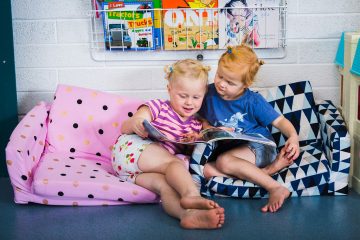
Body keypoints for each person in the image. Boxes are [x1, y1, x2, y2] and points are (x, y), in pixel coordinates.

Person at [111, 59, 225, 229]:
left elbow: (192, 151)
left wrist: (192, 141)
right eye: (182, 96)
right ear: (169, 90)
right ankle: (192, 194)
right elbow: (127, 125)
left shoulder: (196, 125)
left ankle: (186, 215)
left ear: (204, 95)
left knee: (166, 187)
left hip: (133, 173)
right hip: (132, 150)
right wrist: (136, 122)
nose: (189, 102)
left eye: (196, 97)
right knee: (174, 163)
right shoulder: (159, 107)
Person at [199, 44, 300, 213]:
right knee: (206, 170)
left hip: (260, 147)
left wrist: (293, 137)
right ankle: (266, 172)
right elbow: (199, 115)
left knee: (224, 161)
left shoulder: (253, 101)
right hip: (232, 150)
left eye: (230, 82)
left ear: (246, 84)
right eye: (219, 76)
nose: (222, 84)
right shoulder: (209, 93)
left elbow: (280, 121)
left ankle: (275, 187)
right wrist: (206, 126)